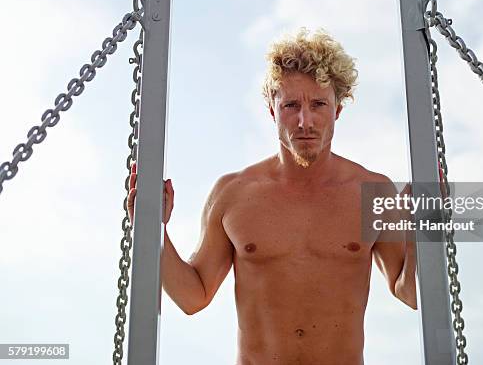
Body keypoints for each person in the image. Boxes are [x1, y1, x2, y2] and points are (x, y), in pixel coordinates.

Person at [128, 28, 417, 365]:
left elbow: (410, 293)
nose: (304, 121)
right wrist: (152, 229)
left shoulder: (374, 192)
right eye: (291, 105)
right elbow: (193, 296)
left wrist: (427, 227)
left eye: (319, 104)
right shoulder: (233, 194)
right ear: (272, 110)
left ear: (337, 109)